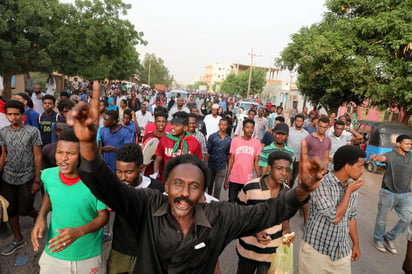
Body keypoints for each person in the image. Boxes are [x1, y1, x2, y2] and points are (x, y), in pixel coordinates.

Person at [68, 81, 324, 273]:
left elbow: (267, 212)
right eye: (178, 184)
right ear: (166, 185)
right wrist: (89, 143)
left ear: (203, 192)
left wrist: (302, 189)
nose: (184, 193)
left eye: (194, 186)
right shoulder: (147, 204)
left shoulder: (219, 216)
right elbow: (108, 187)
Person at [31, 128, 108, 273]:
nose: (63, 158)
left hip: (87, 255)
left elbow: (103, 216)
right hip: (54, 253)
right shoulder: (47, 175)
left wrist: (78, 232)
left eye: (71, 153)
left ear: (81, 155)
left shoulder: (95, 182)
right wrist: (41, 217)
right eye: (59, 152)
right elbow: (49, 195)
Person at [299, 145, 366, 274]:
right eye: (360, 166)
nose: (362, 170)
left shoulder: (352, 185)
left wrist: (355, 243)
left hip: (341, 253)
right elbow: (334, 217)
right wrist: (348, 192)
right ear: (347, 166)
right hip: (316, 252)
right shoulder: (322, 184)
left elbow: (351, 216)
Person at [107, 143, 164, 274]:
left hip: (147, 253)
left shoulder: (157, 189)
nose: (122, 177)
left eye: (128, 172)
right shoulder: (115, 187)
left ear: (141, 168)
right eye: (119, 172)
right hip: (120, 250)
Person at [236, 151, 292, 274]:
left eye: (287, 170)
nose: (284, 173)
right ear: (269, 168)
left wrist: (286, 229)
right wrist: (256, 231)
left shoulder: (287, 193)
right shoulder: (250, 188)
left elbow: (285, 216)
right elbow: (239, 216)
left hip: (272, 254)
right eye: (279, 168)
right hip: (248, 252)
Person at [0, 100, 42, 256]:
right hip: (7, 177)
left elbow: (38, 156)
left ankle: (38, 216)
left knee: (24, 209)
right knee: (10, 209)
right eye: (10, 114)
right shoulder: (3, 132)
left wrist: (37, 179)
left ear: (22, 115)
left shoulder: (32, 132)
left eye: (16, 114)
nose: (13, 118)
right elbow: (3, 155)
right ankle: (18, 239)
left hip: (27, 176)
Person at [371, 135, 412, 254]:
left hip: (404, 194)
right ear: (398, 144)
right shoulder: (391, 155)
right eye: (407, 144)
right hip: (388, 193)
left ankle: (389, 238)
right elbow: (382, 158)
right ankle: (378, 239)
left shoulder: (411, 156)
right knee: (382, 219)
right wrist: (376, 157)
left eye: (410, 144)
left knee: (407, 218)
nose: (409, 146)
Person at [153, 111, 203, 182]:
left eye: (177, 125)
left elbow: (199, 165)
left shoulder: (194, 143)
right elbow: (157, 160)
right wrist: (156, 173)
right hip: (167, 181)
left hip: (186, 182)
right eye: (172, 124)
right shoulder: (164, 140)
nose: (172, 127)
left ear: (185, 128)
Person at [301, 116, 331, 224]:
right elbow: (303, 157)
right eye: (320, 126)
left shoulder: (328, 140)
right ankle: (306, 222)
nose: (322, 129)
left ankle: (314, 221)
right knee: (307, 197)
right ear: (317, 125)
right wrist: (302, 176)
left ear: (328, 127)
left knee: (318, 198)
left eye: (324, 127)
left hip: (321, 174)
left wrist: (325, 172)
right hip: (309, 173)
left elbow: (326, 157)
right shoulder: (309, 139)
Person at [224, 119, 261, 202]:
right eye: (247, 127)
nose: (250, 129)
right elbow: (231, 159)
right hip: (234, 178)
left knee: (244, 203)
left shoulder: (257, 143)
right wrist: (227, 177)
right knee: (231, 201)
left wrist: (259, 179)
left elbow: (256, 162)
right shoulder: (235, 140)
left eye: (252, 127)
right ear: (243, 129)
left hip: (247, 179)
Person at [206, 118, 231, 199]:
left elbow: (229, 155)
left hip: (222, 166)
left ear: (227, 126)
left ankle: (216, 203)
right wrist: (205, 165)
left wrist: (228, 170)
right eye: (221, 125)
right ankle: (208, 202)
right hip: (211, 165)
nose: (223, 126)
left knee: (218, 187)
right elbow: (208, 152)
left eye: (225, 125)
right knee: (209, 185)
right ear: (219, 125)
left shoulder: (229, 139)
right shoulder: (212, 137)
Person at [287, 114, 309, 187]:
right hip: (288, 158)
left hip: (299, 159)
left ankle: (289, 193)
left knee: (295, 178)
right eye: (297, 121)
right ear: (295, 121)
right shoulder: (289, 131)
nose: (299, 122)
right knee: (287, 177)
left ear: (303, 122)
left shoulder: (306, 134)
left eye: (300, 121)